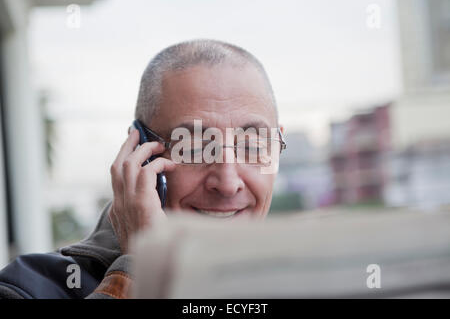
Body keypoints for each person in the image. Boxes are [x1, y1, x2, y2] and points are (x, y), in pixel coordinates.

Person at [0, 39, 286, 299]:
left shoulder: (311, 278)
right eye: (195, 149)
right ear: (139, 153)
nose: (227, 183)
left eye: (252, 145)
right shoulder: (27, 289)